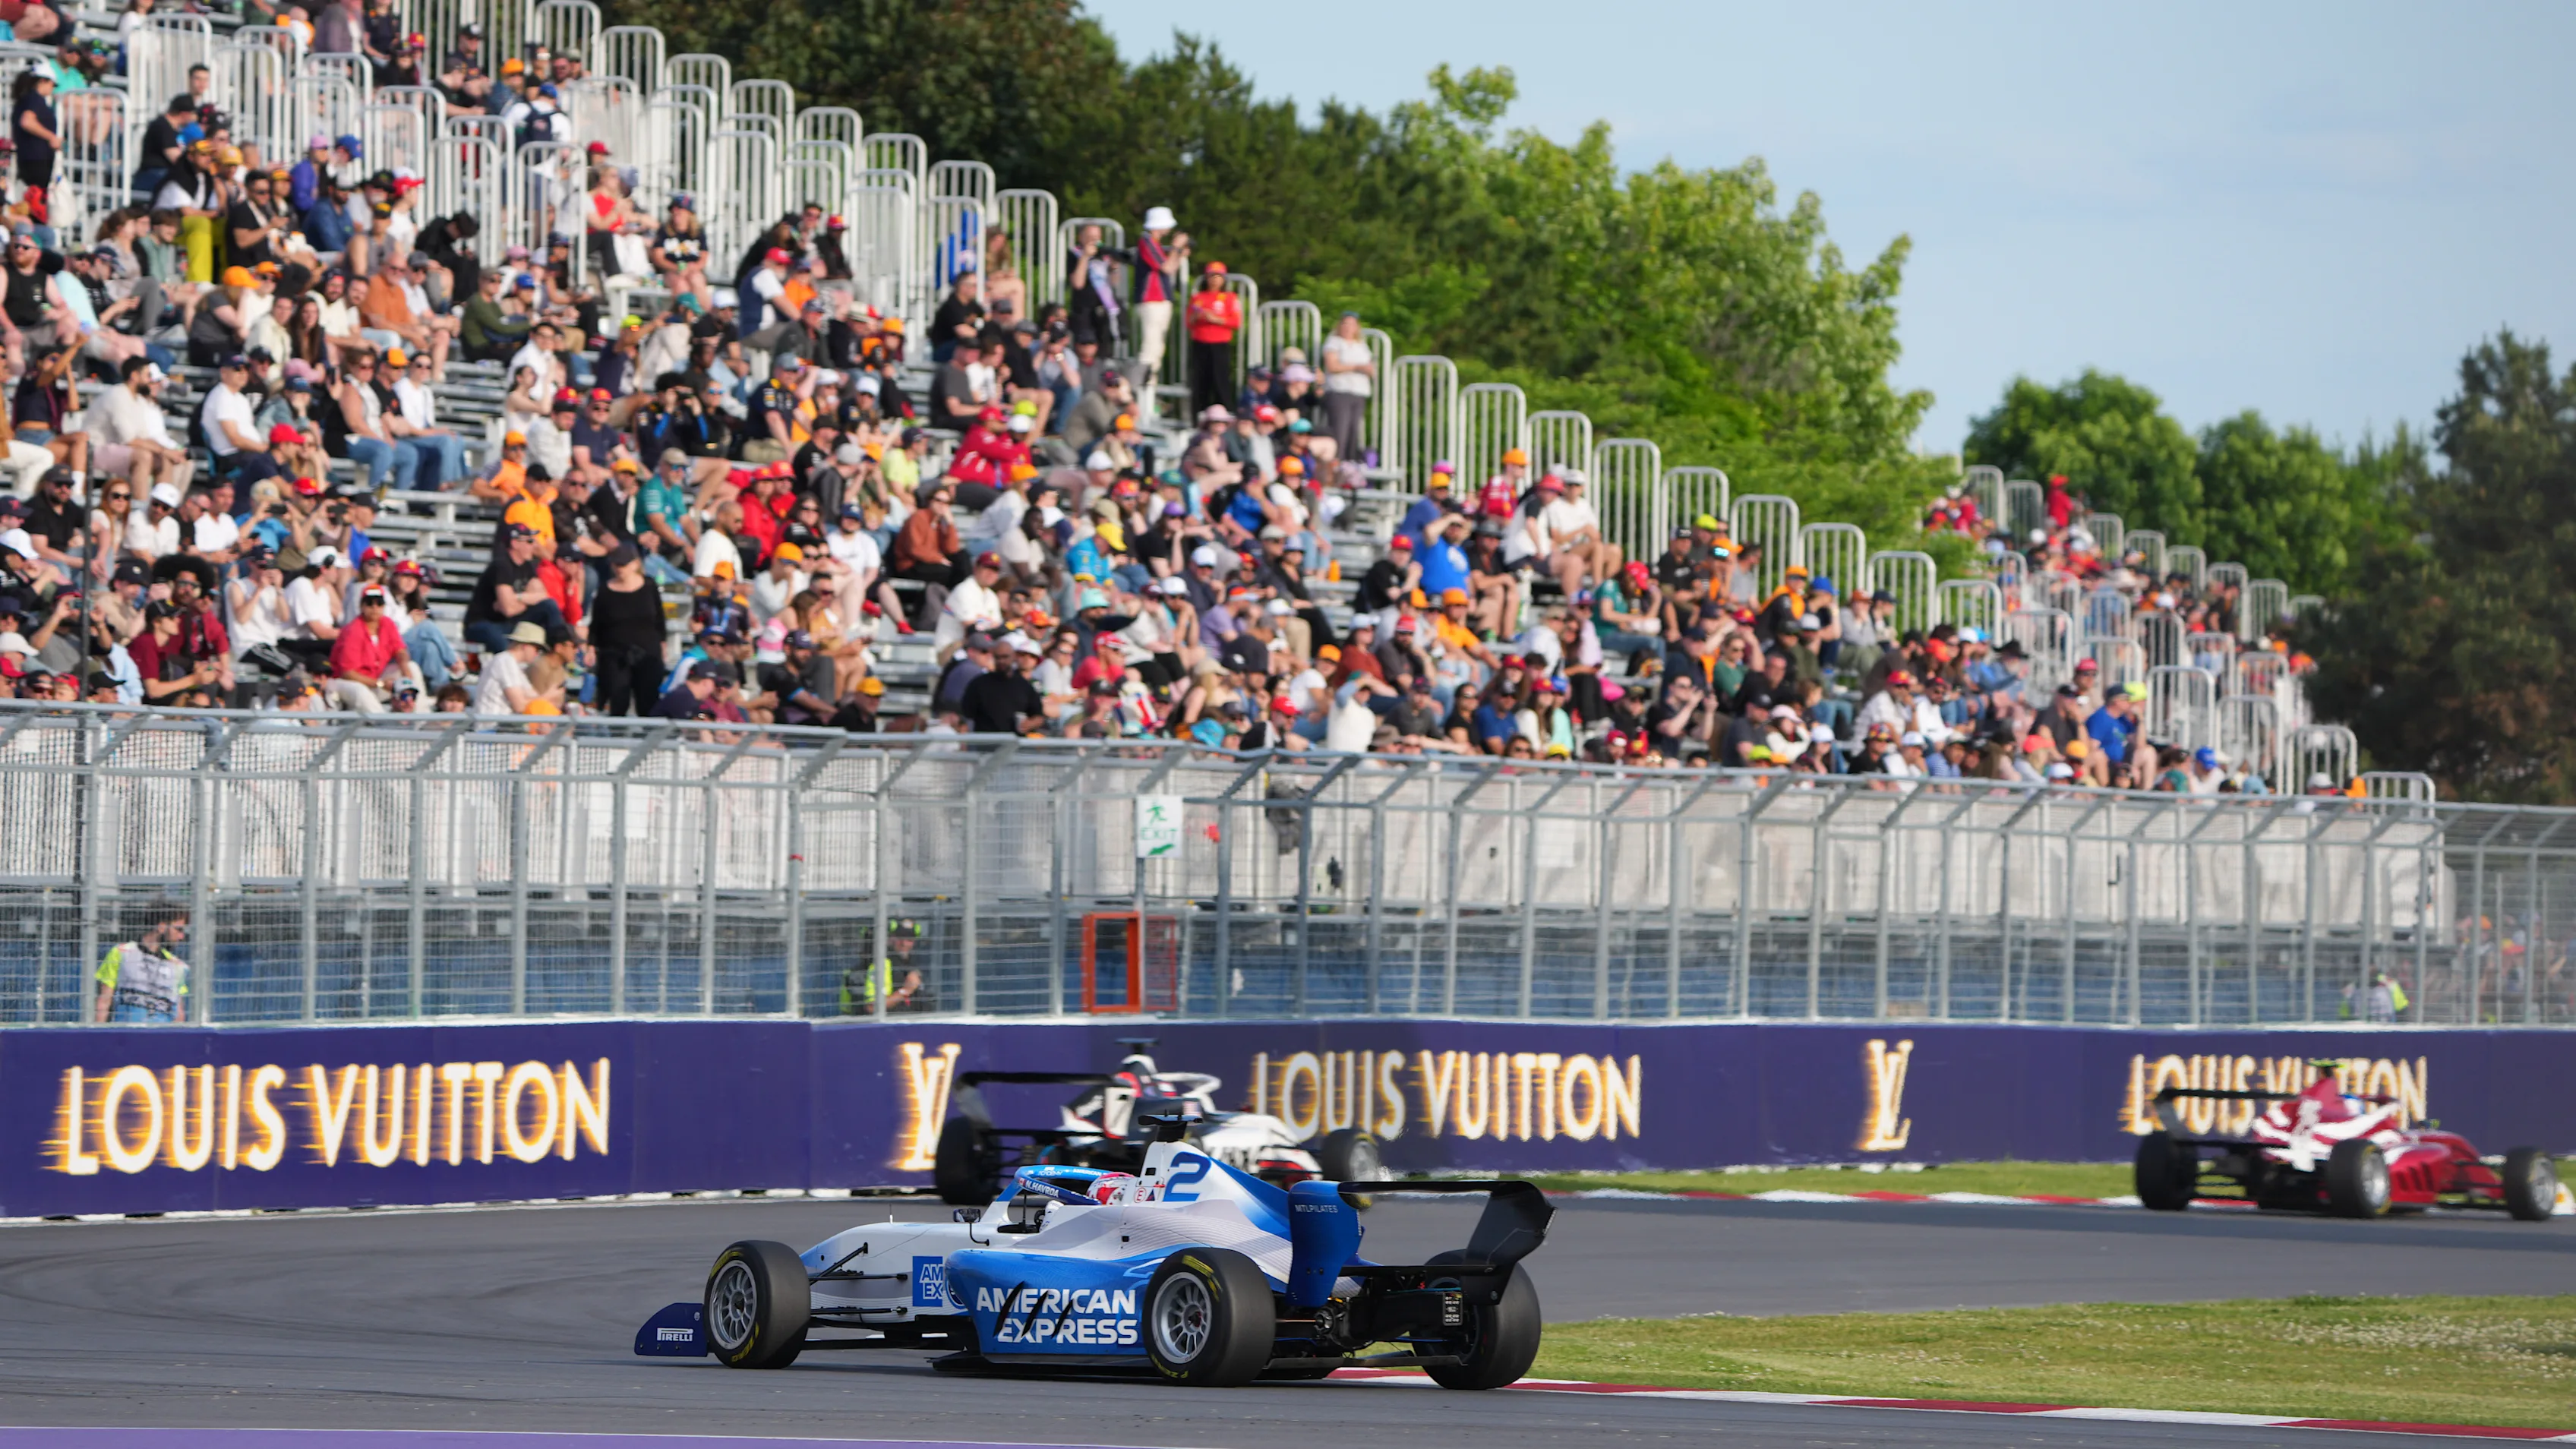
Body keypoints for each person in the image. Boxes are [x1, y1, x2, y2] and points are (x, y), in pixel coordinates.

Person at [93, 909, 189, 1023]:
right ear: (162, 926)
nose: (181, 936)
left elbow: (178, 1013)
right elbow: (104, 1001)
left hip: (161, 1037)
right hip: (125, 1035)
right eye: (178, 930)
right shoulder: (122, 953)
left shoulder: (177, 966)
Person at [1184, 262, 1240, 419]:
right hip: (1200, 343)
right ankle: (1198, 417)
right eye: (1211, 276)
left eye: (1218, 276)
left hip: (1220, 344)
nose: (1215, 280)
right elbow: (1189, 322)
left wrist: (1216, 319)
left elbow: (1235, 321)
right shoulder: (1198, 298)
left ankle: (1225, 415)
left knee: (1220, 381)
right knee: (1200, 382)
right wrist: (1197, 317)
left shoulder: (1229, 298)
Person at [839, 919, 925, 1015]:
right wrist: (906, 990)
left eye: (910, 940)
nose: (904, 943)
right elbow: (872, 1007)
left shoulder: (910, 966)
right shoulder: (883, 965)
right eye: (899, 938)